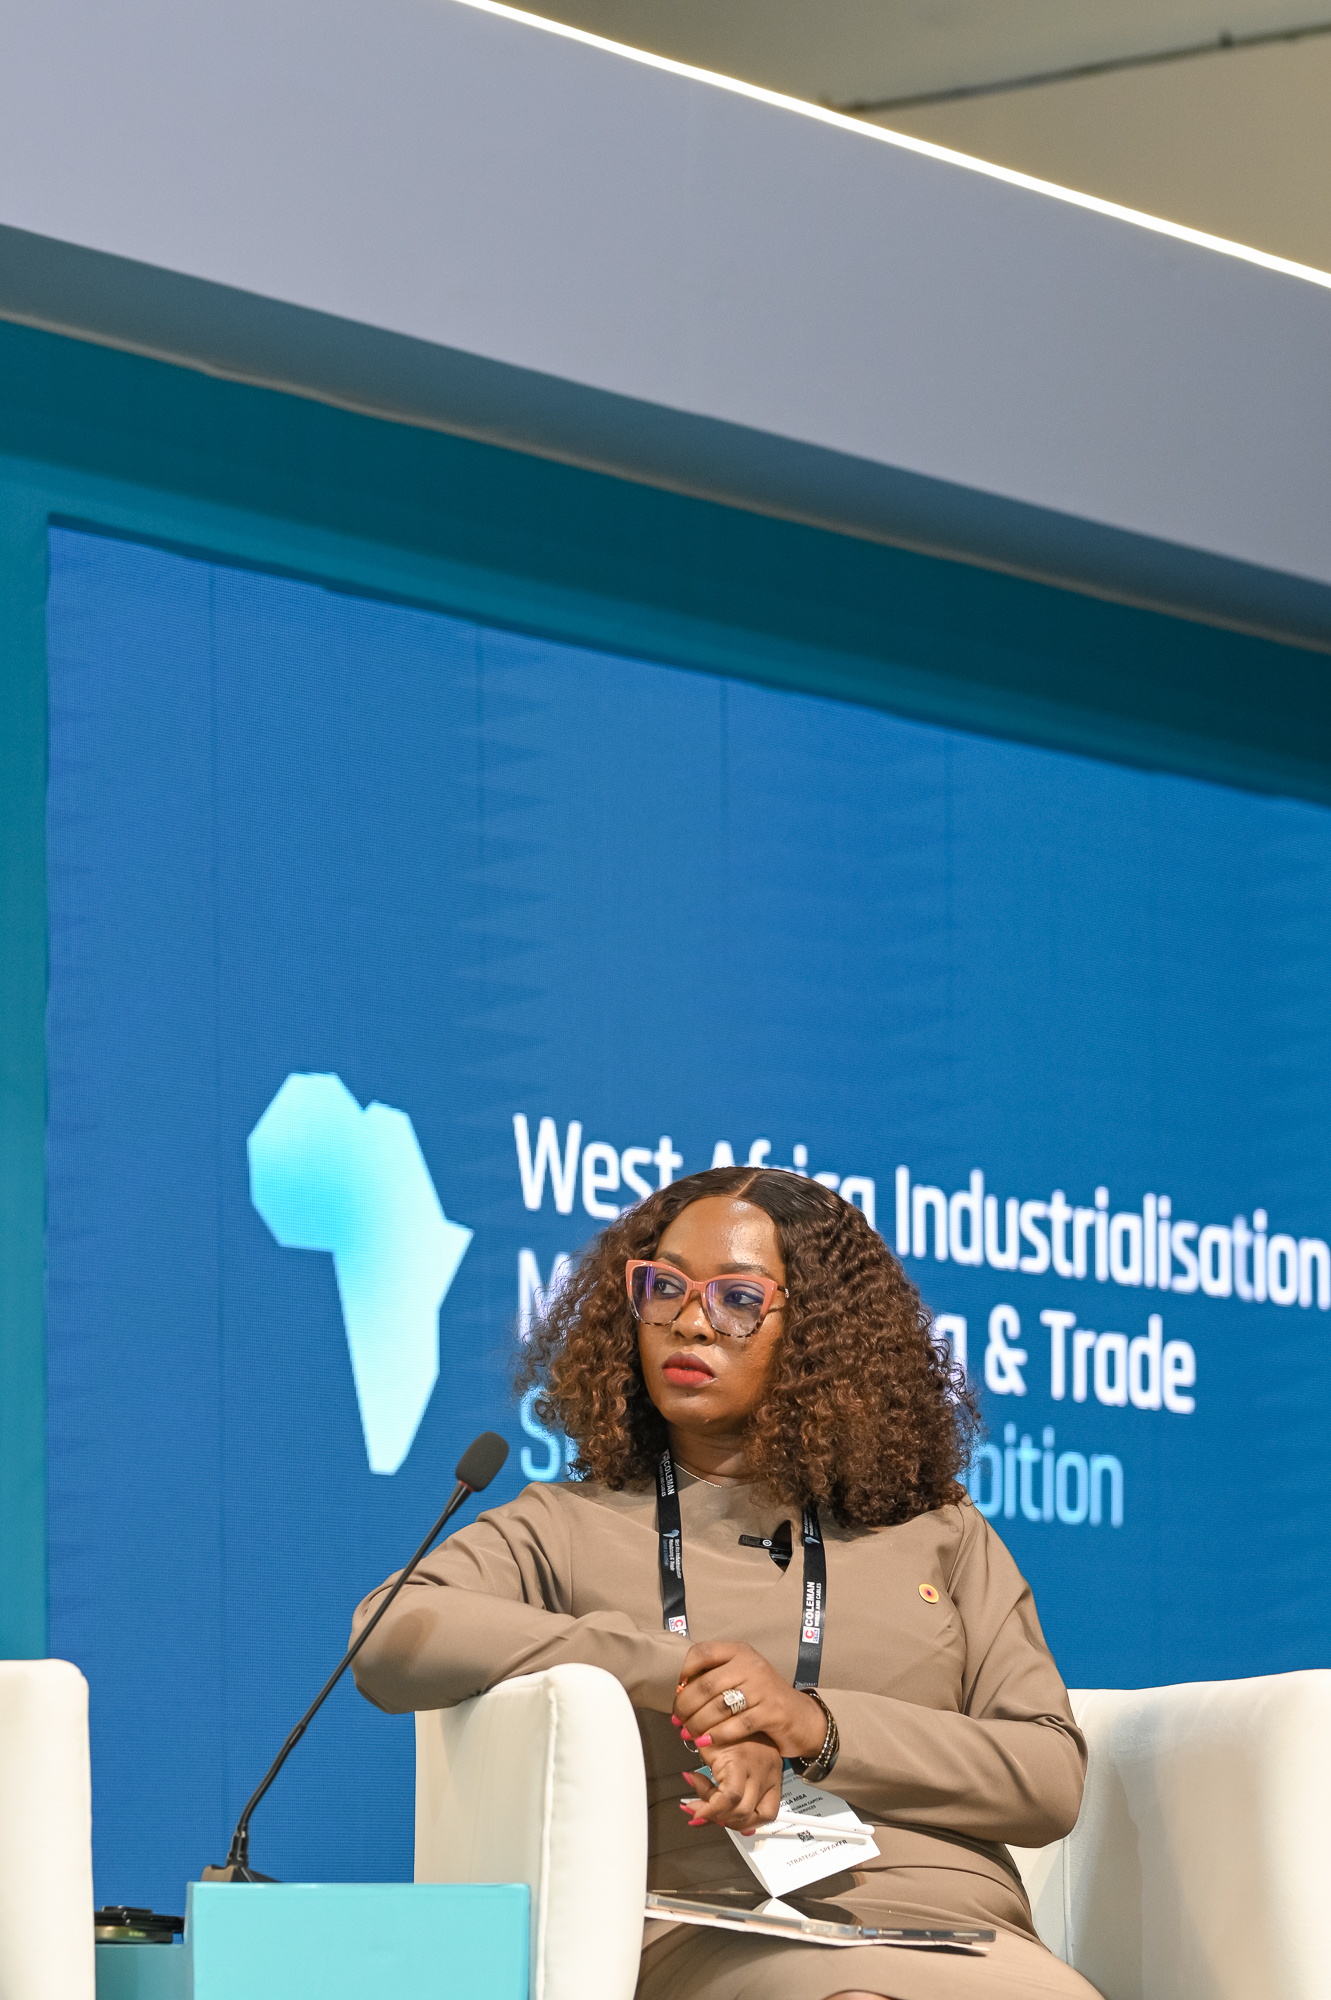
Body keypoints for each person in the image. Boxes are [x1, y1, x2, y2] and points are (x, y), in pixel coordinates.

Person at [351, 1167, 1102, 2000]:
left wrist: (809, 1724)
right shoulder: (567, 1525)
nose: (688, 1321)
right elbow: (389, 1635)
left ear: (818, 1332)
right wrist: (687, 1676)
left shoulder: (937, 1529)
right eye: (664, 1287)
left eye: (738, 1298)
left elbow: (1046, 1777)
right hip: (719, 1922)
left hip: (960, 1927)